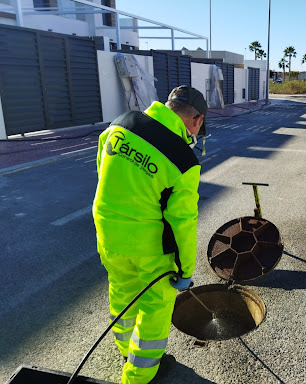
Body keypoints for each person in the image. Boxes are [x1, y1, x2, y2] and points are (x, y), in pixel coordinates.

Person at [92, 85, 207, 384]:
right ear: (196, 120)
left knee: (121, 293)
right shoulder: (183, 160)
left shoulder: (121, 125)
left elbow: (103, 171)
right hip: (149, 249)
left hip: (108, 236)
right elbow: (183, 221)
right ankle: (139, 376)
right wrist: (185, 271)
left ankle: (124, 349)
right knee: (155, 307)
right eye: (199, 126)